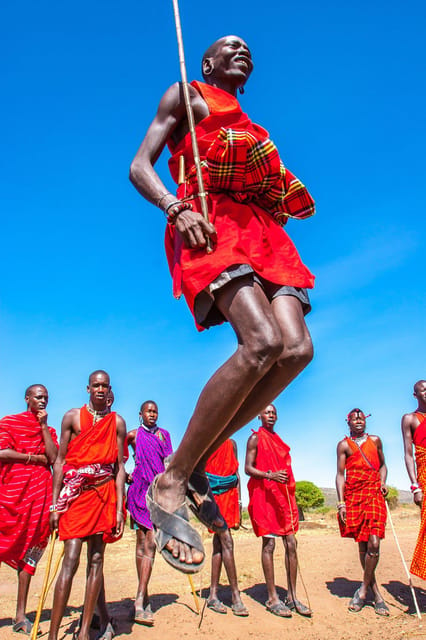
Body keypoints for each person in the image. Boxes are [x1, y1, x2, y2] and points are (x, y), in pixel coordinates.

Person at [129, 35, 314, 573]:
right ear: (207, 62)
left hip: (264, 233)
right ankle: (172, 477)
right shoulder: (186, 94)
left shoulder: (253, 129)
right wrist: (174, 206)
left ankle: (198, 460)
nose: (242, 49)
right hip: (211, 223)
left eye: (248, 47)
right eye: (229, 46)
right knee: (262, 342)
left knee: (297, 350)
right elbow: (141, 166)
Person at [48, 371, 126, 640]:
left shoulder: (117, 422)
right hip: (76, 496)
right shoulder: (71, 417)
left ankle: (84, 633)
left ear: (110, 389)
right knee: (70, 560)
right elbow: (60, 461)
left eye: (105, 385)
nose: (101, 389)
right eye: (96, 385)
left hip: (104, 496)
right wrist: (55, 506)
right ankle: (53, 634)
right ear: (88, 388)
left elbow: (119, 468)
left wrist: (119, 510)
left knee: (96, 559)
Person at [0, 384, 58, 635]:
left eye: (46, 397)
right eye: (38, 397)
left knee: (30, 555)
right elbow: (1, 452)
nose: (43, 400)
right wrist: (33, 459)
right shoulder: (10, 423)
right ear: (27, 399)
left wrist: (43, 427)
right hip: (11, 497)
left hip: (39, 500)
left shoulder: (50, 430)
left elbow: (54, 458)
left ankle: (20, 615)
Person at [245, 404, 311, 618]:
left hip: (282, 496)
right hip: (264, 496)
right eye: (267, 412)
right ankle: (272, 598)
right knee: (269, 544)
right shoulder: (255, 438)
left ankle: (292, 596)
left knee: (291, 542)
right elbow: (248, 468)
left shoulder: (277, 439)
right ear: (259, 415)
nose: (271, 415)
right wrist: (270, 475)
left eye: (273, 413)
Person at [336, 408, 389, 615]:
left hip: (374, 493)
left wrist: (383, 482)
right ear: (348, 422)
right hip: (354, 496)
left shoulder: (375, 441)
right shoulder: (343, 445)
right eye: (354, 419)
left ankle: (364, 589)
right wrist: (341, 503)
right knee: (363, 544)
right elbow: (340, 475)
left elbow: (383, 465)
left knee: (374, 544)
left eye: (361, 418)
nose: (358, 421)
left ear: (365, 422)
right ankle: (376, 594)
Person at [126, 401, 173, 626]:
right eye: (148, 411)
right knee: (140, 543)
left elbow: (169, 461)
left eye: (155, 411)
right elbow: (118, 455)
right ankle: (142, 596)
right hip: (138, 491)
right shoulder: (133, 435)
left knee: (151, 543)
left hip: (157, 493)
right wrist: (124, 474)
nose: (152, 414)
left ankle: (139, 598)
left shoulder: (164, 435)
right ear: (141, 414)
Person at [205, 439, 248, 616]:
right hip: (213, 495)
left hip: (230, 495)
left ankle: (213, 594)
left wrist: (239, 500)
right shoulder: (208, 439)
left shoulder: (232, 443)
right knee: (227, 542)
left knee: (219, 544)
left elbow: (236, 473)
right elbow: (200, 471)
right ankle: (235, 595)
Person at [401, 379, 426, 580]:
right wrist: (415, 486)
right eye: (423, 390)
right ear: (415, 394)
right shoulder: (410, 418)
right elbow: (408, 454)